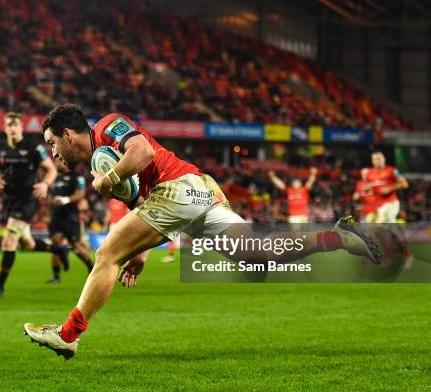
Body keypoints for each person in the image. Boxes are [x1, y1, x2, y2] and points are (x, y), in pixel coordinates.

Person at [24, 104, 381, 359]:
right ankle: (335, 237)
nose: (53, 153)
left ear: (69, 134)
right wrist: (141, 252)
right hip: (199, 191)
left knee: (106, 255)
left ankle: (68, 335)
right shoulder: (98, 161)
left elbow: (143, 150)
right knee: (257, 257)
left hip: (177, 187)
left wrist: (112, 179)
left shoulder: (106, 127)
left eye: (53, 143)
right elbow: (141, 203)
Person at [0, 112, 69, 298]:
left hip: (28, 199)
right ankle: (58, 250)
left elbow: (51, 170)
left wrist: (45, 184)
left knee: (9, 239)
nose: (12, 127)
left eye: (15, 124)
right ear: (5, 128)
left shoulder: (32, 148)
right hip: (9, 201)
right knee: (27, 244)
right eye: (9, 124)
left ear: (21, 127)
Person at [46, 161, 94, 284]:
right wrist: (52, 201)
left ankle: (91, 267)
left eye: (60, 162)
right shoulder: (55, 177)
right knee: (55, 244)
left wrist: (66, 200)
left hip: (70, 217)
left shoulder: (77, 177)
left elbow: (80, 193)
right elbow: (50, 195)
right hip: (56, 216)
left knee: (76, 247)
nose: (57, 164)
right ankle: (56, 276)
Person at [361, 152, 408, 224]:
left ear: (384, 159)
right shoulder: (369, 173)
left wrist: (390, 188)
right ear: (372, 161)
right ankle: (395, 232)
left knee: (382, 223)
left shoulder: (392, 170)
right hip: (376, 205)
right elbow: (365, 188)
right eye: (375, 159)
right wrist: (366, 189)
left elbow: (404, 184)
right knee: (371, 225)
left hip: (390, 202)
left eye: (379, 158)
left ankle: (393, 230)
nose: (377, 161)